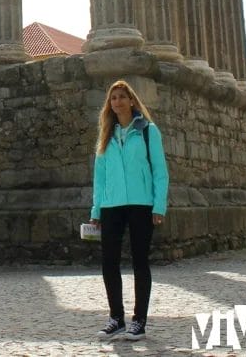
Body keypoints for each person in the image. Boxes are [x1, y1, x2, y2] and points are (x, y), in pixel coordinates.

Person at [90, 79, 169, 342]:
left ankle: (139, 321)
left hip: (141, 204)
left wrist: (159, 205)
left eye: (122, 97)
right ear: (109, 105)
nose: (118, 102)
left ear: (132, 100)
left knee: (139, 262)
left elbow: (160, 172)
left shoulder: (149, 131)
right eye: (113, 98)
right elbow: (99, 177)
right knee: (109, 262)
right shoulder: (105, 135)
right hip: (111, 205)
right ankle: (116, 318)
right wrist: (96, 208)